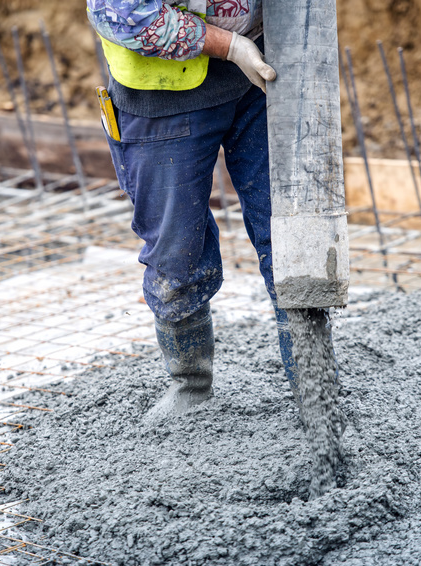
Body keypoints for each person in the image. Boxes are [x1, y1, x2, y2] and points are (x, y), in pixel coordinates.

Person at [87, 0, 298, 418]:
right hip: (162, 97)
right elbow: (125, 13)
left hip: (263, 76)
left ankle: (313, 380)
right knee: (176, 252)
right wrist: (230, 46)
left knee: (293, 233)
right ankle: (191, 384)